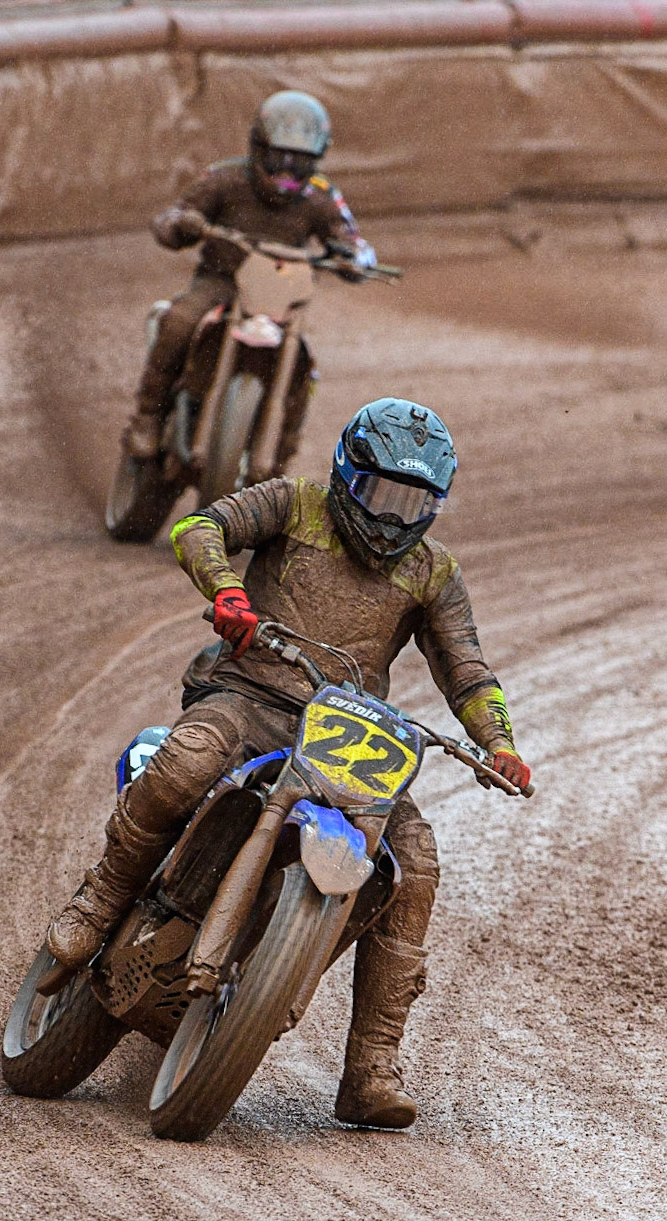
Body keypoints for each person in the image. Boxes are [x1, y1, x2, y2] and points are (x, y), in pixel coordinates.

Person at [44, 398, 531, 1129]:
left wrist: (498, 743)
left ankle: (370, 1065)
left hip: (349, 738)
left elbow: (466, 670)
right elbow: (199, 526)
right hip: (250, 696)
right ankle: (98, 902)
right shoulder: (293, 502)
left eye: (414, 502)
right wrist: (228, 592)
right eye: (381, 496)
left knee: (418, 865)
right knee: (185, 760)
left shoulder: (433, 571)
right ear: (345, 475)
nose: (394, 518)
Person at [124, 89, 377, 464]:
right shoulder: (225, 178)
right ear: (258, 148)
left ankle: (280, 455)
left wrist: (354, 257)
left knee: (304, 368)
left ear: (317, 162)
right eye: (278, 159)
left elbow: (352, 239)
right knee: (179, 321)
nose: (286, 174)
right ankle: (147, 415)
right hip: (220, 282)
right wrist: (183, 224)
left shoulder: (322, 197)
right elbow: (172, 216)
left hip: (282, 296)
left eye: (300, 164)